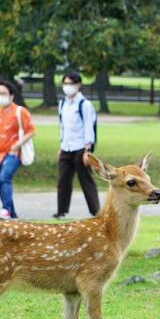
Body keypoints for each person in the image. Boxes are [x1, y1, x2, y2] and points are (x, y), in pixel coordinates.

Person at [0, 81, 35, 220]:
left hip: (13, 153)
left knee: (5, 176)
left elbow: (31, 131)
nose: (1, 96)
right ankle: (12, 213)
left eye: (4, 93)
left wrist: (18, 145)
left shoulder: (20, 112)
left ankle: (5, 209)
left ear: (12, 96)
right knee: (0, 183)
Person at [54, 72, 100, 218]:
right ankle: (61, 211)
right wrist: (61, 146)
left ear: (78, 85)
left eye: (71, 84)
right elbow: (63, 126)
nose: (68, 87)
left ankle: (96, 212)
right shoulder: (62, 104)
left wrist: (88, 150)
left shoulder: (84, 105)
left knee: (86, 181)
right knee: (63, 182)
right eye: (65, 84)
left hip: (80, 148)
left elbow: (89, 127)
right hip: (66, 147)